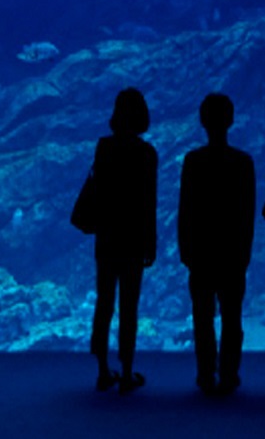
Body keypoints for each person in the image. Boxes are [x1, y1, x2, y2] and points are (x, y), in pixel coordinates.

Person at [179, 93, 256, 395]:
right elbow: (247, 212)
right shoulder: (243, 162)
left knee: (202, 316)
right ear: (231, 120)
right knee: (232, 316)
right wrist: (245, 251)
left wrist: (185, 248)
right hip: (232, 250)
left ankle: (205, 373)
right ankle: (228, 373)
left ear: (202, 121)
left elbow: (185, 209)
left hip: (201, 250)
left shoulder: (193, 161)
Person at [87, 88, 157, 394]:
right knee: (129, 306)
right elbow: (148, 202)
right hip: (132, 238)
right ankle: (127, 372)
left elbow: (99, 191)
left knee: (104, 303)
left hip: (108, 236)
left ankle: (103, 370)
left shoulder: (104, 147)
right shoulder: (146, 153)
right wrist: (149, 243)